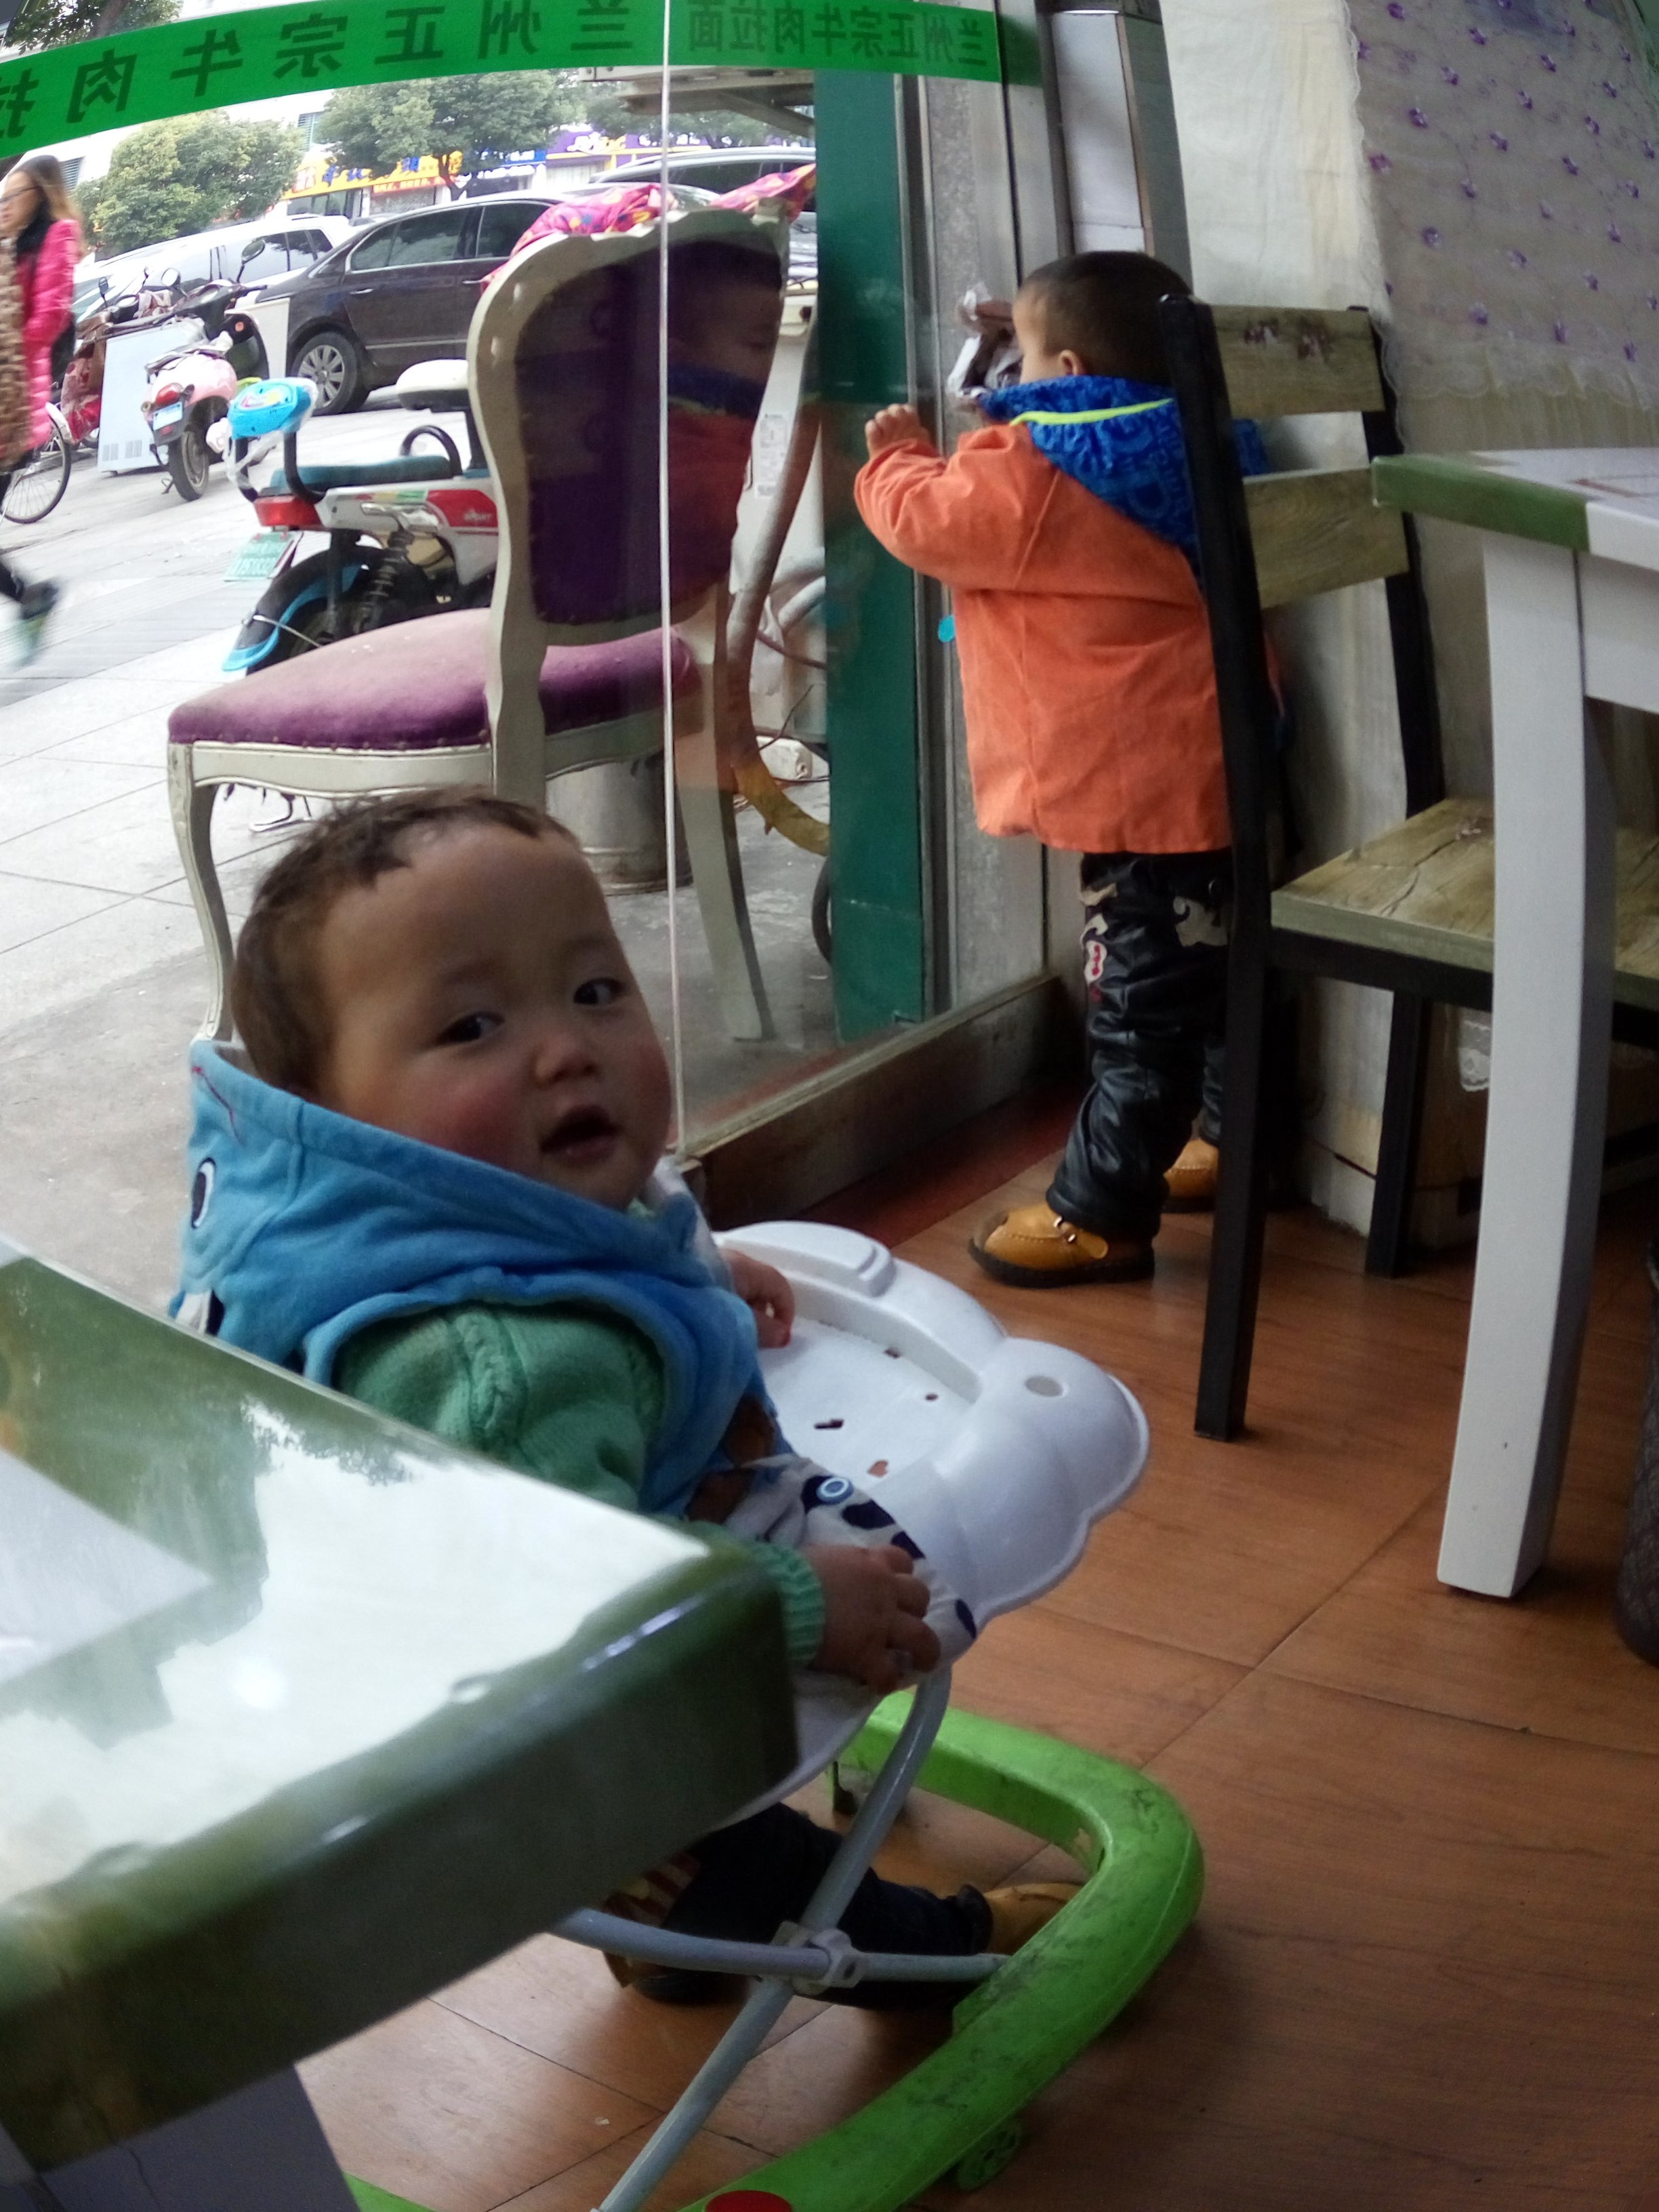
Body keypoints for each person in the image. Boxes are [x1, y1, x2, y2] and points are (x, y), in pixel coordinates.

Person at [173, 788, 1073, 2002]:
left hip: (502, 1598)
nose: (564, 1046)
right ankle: (918, 1952)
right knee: (737, 1843)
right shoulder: (509, 1368)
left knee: (677, 1846)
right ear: (341, 1117)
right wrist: (798, 1604)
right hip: (529, 1719)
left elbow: (588, 1224)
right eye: (473, 1024)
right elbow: (576, 1614)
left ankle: (657, 1905)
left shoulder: (424, 1205)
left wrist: (689, 1264)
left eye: (595, 988)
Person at [856, 251, 1266, 1286]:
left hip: (1130, 788)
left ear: (1069, 365)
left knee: (1134, 1005)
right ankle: (1223, 1141)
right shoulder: (1207, 441)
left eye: (1026, 359)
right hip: (1219, 762)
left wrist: (896, 459)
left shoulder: (1042, 465)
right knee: (1208, 978)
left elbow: (931, 522)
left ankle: (1103, 1211)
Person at [0, 153, 79, 661]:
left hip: (10, 406)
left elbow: (50, 318)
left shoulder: (57, 237)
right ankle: (33, 597)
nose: (4, 206)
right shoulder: (8, 247)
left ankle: (34, 597)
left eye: (13, 198)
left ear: (39, 197)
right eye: (1, 199)